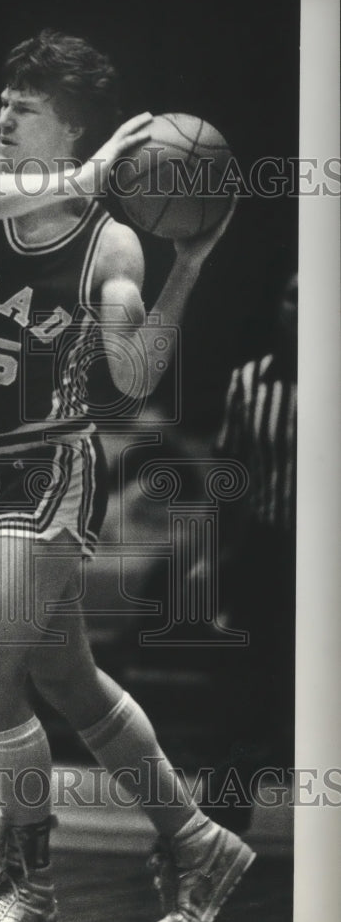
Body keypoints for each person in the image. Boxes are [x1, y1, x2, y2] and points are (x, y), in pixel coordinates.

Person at [0, 29, 254, 922]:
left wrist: (185, 270)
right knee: (65, 676)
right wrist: (92, 172)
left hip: (49, 467)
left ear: (72, 129)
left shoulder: (110, 243)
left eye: (24, 108)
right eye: (2, 100)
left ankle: (29, 885)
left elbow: (136, 375)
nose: (0, 116)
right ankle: (196, 837)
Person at [199, 270, 297, 832]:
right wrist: (213, 560)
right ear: (278, 308)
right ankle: (223, 828)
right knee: (244, 691)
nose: (303, 309)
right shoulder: (250, 382)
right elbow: (226, 479)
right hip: (266, 550)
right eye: (292, 296)